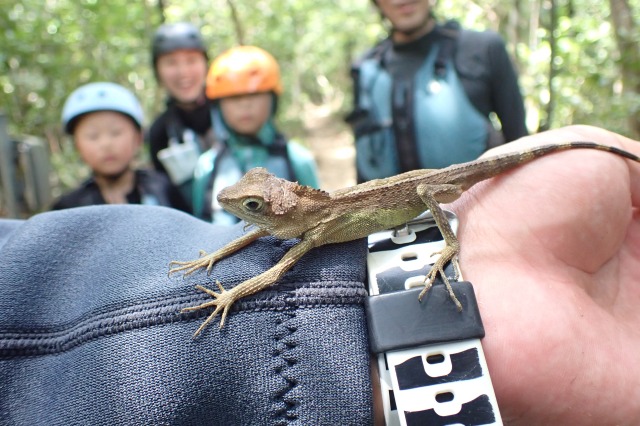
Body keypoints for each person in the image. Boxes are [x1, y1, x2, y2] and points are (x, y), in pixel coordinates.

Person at [2, 125, 640, 424]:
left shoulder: (314, 227)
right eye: (247, 204)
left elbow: (276, 275)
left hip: (427, 190)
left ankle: (454, 242)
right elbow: (260, 232)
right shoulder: (296, 219)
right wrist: (211, 255)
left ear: (280, 204)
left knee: (446, 202)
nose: (241, 209)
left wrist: (231, 294)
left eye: (253, 205)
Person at [348, 0, 529, 182]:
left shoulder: (482, 48)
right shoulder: (365, 70)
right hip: (390, 207)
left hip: (476, 203)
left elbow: (520, 147)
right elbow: (364, 157)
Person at [192, 45, 320, 223]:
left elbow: (318, 220)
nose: (245, 105)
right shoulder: (207, 166)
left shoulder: (297, 159)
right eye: (234, 97)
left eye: (255, 94)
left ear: (272, 100)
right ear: (218, 107)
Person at [51, 82, 188, 211]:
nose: (106, 144)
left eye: (116, 132)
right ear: (77, 145)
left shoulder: (163, 189)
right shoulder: (69, 208)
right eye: (93, 136)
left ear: (138, 138)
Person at [147, 22, 212, 206]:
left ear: (205, 64)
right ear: (157, 71)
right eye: (171, 63)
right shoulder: (160, 133)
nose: (183, 72)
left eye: (191, 60)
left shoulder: (232, 111)